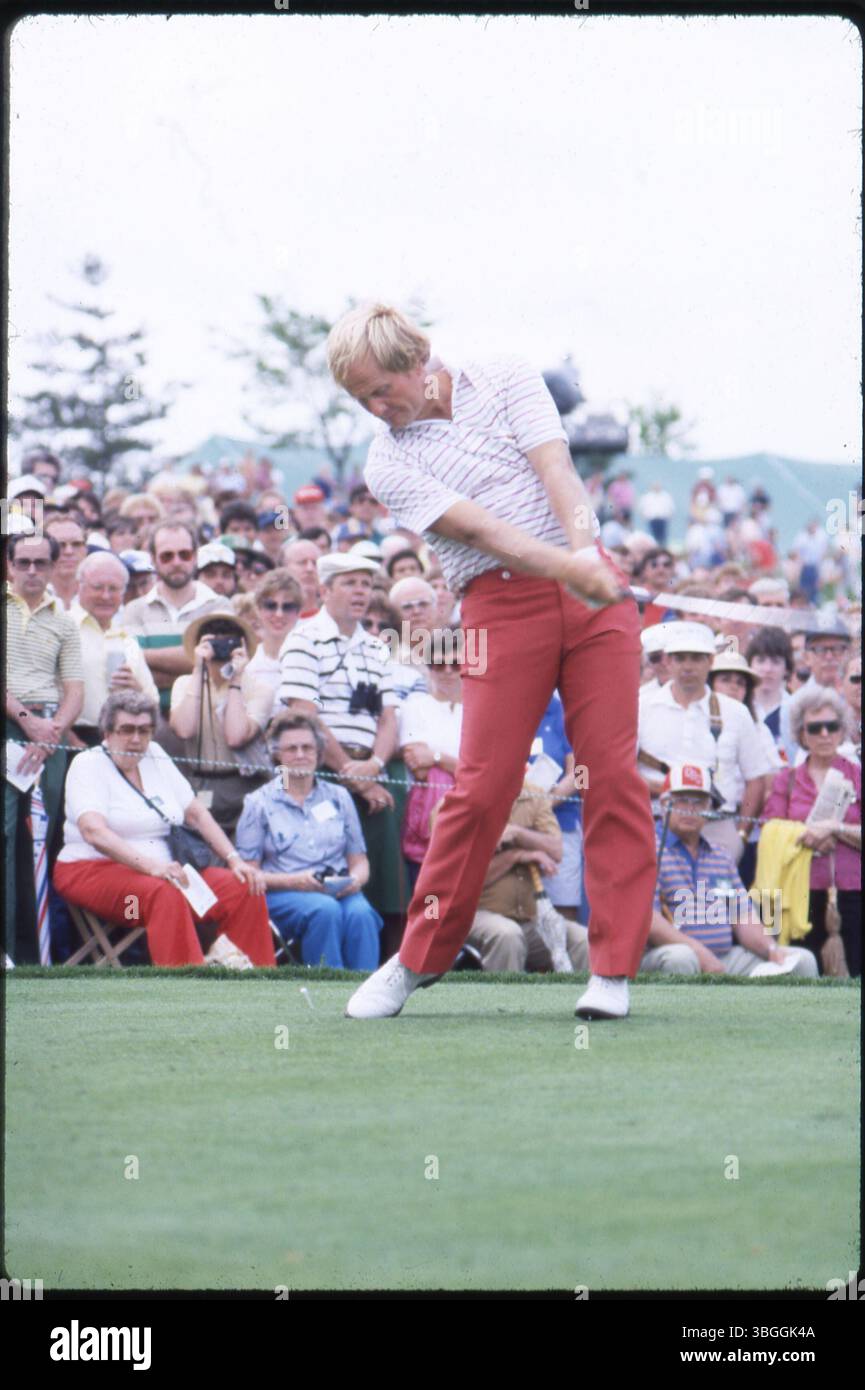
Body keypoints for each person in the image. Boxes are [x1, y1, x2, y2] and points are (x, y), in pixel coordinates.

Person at [326, 301, 655, 1021]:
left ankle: (611, 970)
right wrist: (569, 567)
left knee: (610, 774)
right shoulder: (389, 460)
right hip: (499, 606)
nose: (378, 409)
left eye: (383, 389)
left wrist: (584, 552)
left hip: (589, 591)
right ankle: (415, 961)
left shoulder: (503, 373)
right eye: (361, 400)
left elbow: (556, 469)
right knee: (480, 787)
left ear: (419, 360)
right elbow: (483, 532)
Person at [53, 692, 275, 969]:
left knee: (244, 887)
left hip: (167, 872)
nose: (136, 739)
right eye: (127, 730)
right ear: (107, 732)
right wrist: (152, 868)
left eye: (144, 731)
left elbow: (195, 813)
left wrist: (235, 860)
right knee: (161, 894)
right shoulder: (87, 764)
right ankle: (186, 988)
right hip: (99, 881)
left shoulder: (155, 754)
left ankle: (254, 981)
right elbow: (93, 832)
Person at [641, 763, 818, 977]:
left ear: (710, 808)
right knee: (682, 958)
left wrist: (771, 949)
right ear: (663, 804)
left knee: (801, 960)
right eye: (681, 800)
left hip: (723, 956)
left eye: (698, 802)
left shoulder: (721, 855)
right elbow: (648, 921)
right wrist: (700, 954)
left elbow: (743, 916)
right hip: (665, 953)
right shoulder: (648, 850)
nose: (690, 809)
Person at [235, 713, 382, 969]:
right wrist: (296, 882)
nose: (300, 754)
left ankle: (367, 995)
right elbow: (248, 874)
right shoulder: (258, 803)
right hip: (284, 892)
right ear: (277, 755)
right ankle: (328, 992)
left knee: (362, 915)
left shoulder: (339, 797)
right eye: (292, 748)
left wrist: (355, 881)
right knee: (324, 911)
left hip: (337, 889)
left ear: (319, 752)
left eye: (308, 747)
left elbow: (359, 861)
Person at [5, 532, 84, 962]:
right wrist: (26, 721)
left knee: (42, 841)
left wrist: (53, 728)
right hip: (9, 727)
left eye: (40, 563)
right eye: (23, 562)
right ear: (10, 565)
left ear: (54, 567)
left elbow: (75, 688)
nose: (32, 571)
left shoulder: (64, 622)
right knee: (5, 837)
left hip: (48, 738)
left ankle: (37, 956)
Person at [638, 621, 772, 863]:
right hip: (657, 821)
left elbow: (756, 779)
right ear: (667, 661)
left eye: (696, 658)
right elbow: (624, 768)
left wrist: (741, 834)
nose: (688, 666)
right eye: (680, 658)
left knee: (716, 900)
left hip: (717, 825)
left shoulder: (735, 712)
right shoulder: (642, 707)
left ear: (711, 661)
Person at [762, 687, 861, 976]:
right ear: (801, 735)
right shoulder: (787, 780)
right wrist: (811, 833)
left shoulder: (858, 776)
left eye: (832, 726)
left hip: (852, 890)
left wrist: (836, 828)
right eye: (815, 728)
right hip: (798, 893)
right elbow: (770, 830)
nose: (824, 734)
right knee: (805, 974)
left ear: (842, 730)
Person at [466, 775, 589, 972]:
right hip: (475, 915)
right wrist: (516, 856)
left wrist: (517, 833)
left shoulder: (534, 793)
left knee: (582, 940)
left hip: (530, 919)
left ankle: (580, 1003)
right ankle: (504, 1004)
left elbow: (556, 850)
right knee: (507, 935)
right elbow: (465, 881)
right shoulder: (462, 799)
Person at [169, 610, 273, 834]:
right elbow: (184, 729)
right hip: (200, 782)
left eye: (229, 639)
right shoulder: (185, 683)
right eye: (214, 639)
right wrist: (199, 668)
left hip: (243, 784)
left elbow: (236, 737)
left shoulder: (259, 689)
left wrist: (235, 679)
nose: (222, 646)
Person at [122, 521, 222, 724]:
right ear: (153, 560)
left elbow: (217, 668)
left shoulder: (219, 606)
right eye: (167, 556)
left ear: (195, 556)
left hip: (208, 725)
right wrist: (195, 663)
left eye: (184, 554)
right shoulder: (135, 609)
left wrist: (142, 656)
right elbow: (130, 669)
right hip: (150, 724)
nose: (176, 562)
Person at [69, 551, 159, 746]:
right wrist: (70, 739)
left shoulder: (127, 640)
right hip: (73, 738)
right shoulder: (64, 627)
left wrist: (136, 690)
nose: (106, 596)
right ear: (79, 587)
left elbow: (153, 702)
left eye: (114, 589)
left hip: (122, 741)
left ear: (123, 593)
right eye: (98, 587)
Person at [398, 638, 463, 887]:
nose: (447, 671)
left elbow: (483, 772)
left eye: (455, 664)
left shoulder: (480, 711)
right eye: (439, 664)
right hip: (427, 820)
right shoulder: (415, 706)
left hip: (470, 814)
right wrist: (458, 764)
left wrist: (437, 757)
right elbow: (418, 765)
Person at [246, 569, 303, 699]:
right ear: (258, 609)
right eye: (271, 606)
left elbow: (320, 702)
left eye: (287, 607)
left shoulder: (311, 658)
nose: (279, 614)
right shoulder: (247, 662)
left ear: (298, 612)